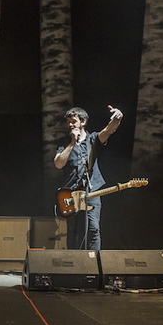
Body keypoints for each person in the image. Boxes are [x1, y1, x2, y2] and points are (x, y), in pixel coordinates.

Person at [54, 104, 123, 250]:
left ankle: (94, 263)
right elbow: (58, 164)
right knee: (72, 231)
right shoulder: (64, 142)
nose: (70, 125)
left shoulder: (92, 139)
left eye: (73, 121)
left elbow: (109, 130)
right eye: (68, 122)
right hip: (70, 192)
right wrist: (72, 142)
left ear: (83, 122)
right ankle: (73, 265)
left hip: (92, 190)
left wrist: (118, 117)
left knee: (93, 228)